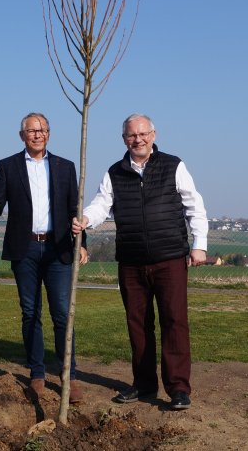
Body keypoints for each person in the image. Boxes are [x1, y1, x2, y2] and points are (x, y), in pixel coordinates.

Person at [72, 113, 207, 410]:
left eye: (143, 134)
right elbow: (101, 204)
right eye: (132, 135)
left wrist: (199, 246)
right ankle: (144, 384)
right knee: (138, 324)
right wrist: (86, 220)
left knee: (174, 322)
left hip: (169, 258)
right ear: (124, 139)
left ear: (154, 135)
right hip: (131, 261)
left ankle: (178, 388)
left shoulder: (174, 165)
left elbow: (194, 206)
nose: (138, 139)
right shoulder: (114, 172)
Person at [0, 112, 88, 403]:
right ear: (22, 136)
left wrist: (82, 243)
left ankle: (70, 376)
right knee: (30, 313)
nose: (37, 134)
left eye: (42, 129)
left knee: (61, 314)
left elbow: (74, 209)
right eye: (31, 130)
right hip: (25, 249)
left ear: (49, 134)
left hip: (58, 248)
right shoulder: (8, 166)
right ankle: (37, 374)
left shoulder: (65, 167)